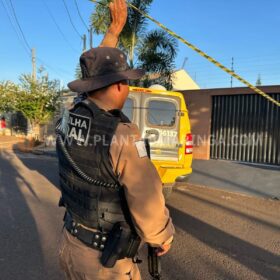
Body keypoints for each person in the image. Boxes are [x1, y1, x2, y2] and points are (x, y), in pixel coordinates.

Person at [56, 0, 174, 279]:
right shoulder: (122, 135)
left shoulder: (71, 114)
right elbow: (146, 201)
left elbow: (94, 78)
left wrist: (114, 30)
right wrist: (162, 237)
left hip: (70, 246)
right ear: (121, 85)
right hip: (104, 264)